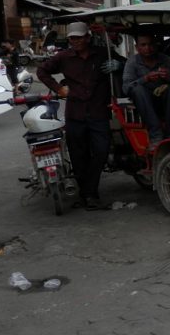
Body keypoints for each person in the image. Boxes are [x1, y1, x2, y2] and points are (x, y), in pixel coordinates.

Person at [36, 21, 114, 210]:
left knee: (102, 151)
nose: (76, 41)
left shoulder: (102, 54)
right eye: (72, 38)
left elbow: (124, 64)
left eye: (79, 37)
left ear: (87, 37)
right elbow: (42, 71)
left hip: (98, 111)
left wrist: (117, 65)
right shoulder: (63, 57)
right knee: (79, 156)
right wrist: (59, 88)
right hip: (75, 113)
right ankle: (89, 195)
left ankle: (87, 192)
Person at [122, 34, 170, 150]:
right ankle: (155, 134)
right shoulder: (132, 62)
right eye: (143, 45)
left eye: (151, 45)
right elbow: (126, 87)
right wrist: (145, 79)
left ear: (156, 46)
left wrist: (167, 77)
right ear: (137, 47)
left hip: (163, 102)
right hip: (143, 103)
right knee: (138, 89)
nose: (147, 48)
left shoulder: (165, 60)